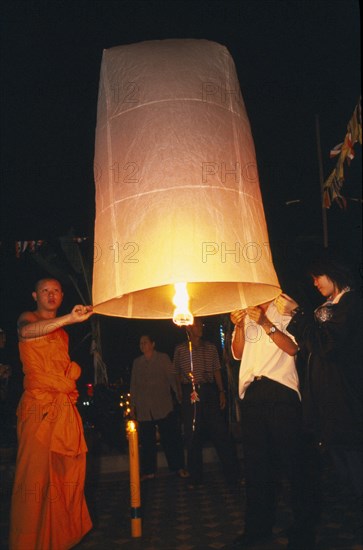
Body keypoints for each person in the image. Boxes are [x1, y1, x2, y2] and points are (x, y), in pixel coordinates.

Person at [9, 278, 94, 550]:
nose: (51, 295)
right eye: (45, 290)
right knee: (32, 481)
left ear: (62, 295)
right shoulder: (27, 319)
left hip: (60, 408)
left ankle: (56, 541)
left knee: (61, 479)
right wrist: (69, 318)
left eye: (56, 291)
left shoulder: (63, 334)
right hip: (38, 408)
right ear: (35, 295)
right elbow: (28, 333)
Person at [276, 257, 363, 499]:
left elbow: (326, 345)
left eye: (318, 277)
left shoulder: (351, 304)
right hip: (329, 404)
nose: (315, 283)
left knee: (353, 464)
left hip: (345, 403)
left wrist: (296, 314)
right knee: (342, 466)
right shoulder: (329, 307)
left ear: (333, 272)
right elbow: (311, 345)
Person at [230, 298, 311, 549]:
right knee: (256, 468)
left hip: (281, 391)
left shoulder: (285, 307)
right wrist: (241, 326)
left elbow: (293, 348)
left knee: (292, 464)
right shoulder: (245, 311)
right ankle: (256, 529)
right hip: (253, 393)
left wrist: (265, 322)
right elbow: (237, 353)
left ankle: (303, 530)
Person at [173, 317, 241, 489]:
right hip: (191, 392)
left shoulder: (210, 347)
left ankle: (233, 476)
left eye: (201, 325)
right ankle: (195, 478)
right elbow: (176, 373)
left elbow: (217, 371)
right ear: (189, 328)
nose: (200, 328)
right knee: (192, 434)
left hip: (209, 391)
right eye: (196, 325)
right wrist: (180, 392)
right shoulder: (181, 349)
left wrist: (221, 392)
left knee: (220, 433)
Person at [130, 334, 188, 481]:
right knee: (147, 441)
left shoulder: (162, 358)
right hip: (145, 408)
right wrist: (133, 405)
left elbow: (171, 378)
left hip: (163, 405)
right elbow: (134, 385)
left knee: (170, 438)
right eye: (140, 343)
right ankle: (149, 471)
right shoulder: (137, 362)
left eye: (145, 342)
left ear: (152, 344)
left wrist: (178, 394)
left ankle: (178, 467)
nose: (142, 345)